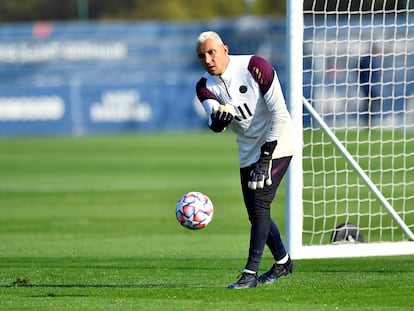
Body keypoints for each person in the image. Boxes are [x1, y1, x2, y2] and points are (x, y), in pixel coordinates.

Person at [195, 31, 295, 289]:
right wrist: (216, 124)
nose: (207, 59)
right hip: (248, 148)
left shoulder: (255, 66)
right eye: (201, 55)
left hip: (279, 140)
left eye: (211, 52)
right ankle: (282, 262)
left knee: (261, 205)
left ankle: (250, 273)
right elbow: (213, 117)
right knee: (255, 213)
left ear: (225, 49)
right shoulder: (204, 86)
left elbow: (280, 114)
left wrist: (266, 157)